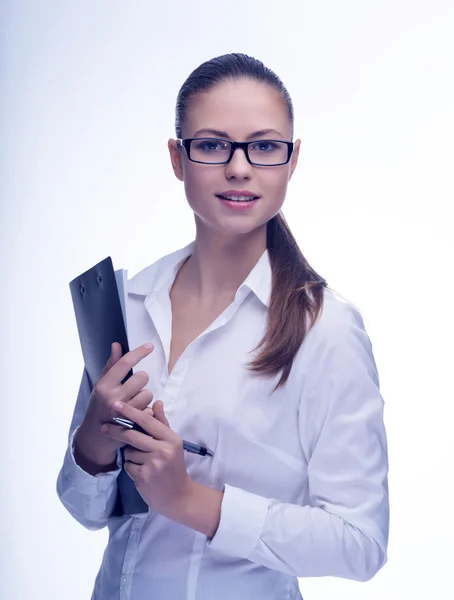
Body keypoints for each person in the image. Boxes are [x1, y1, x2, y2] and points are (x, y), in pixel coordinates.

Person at [56, 52, 389, 600]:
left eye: (264, 146)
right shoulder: (131, 301)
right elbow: (86, 512)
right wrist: (90, 445)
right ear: (177, 157)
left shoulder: (326, 331)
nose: (239, 167)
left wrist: (191, 500)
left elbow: (361, 542)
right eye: (212, 145)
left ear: (292, 159)